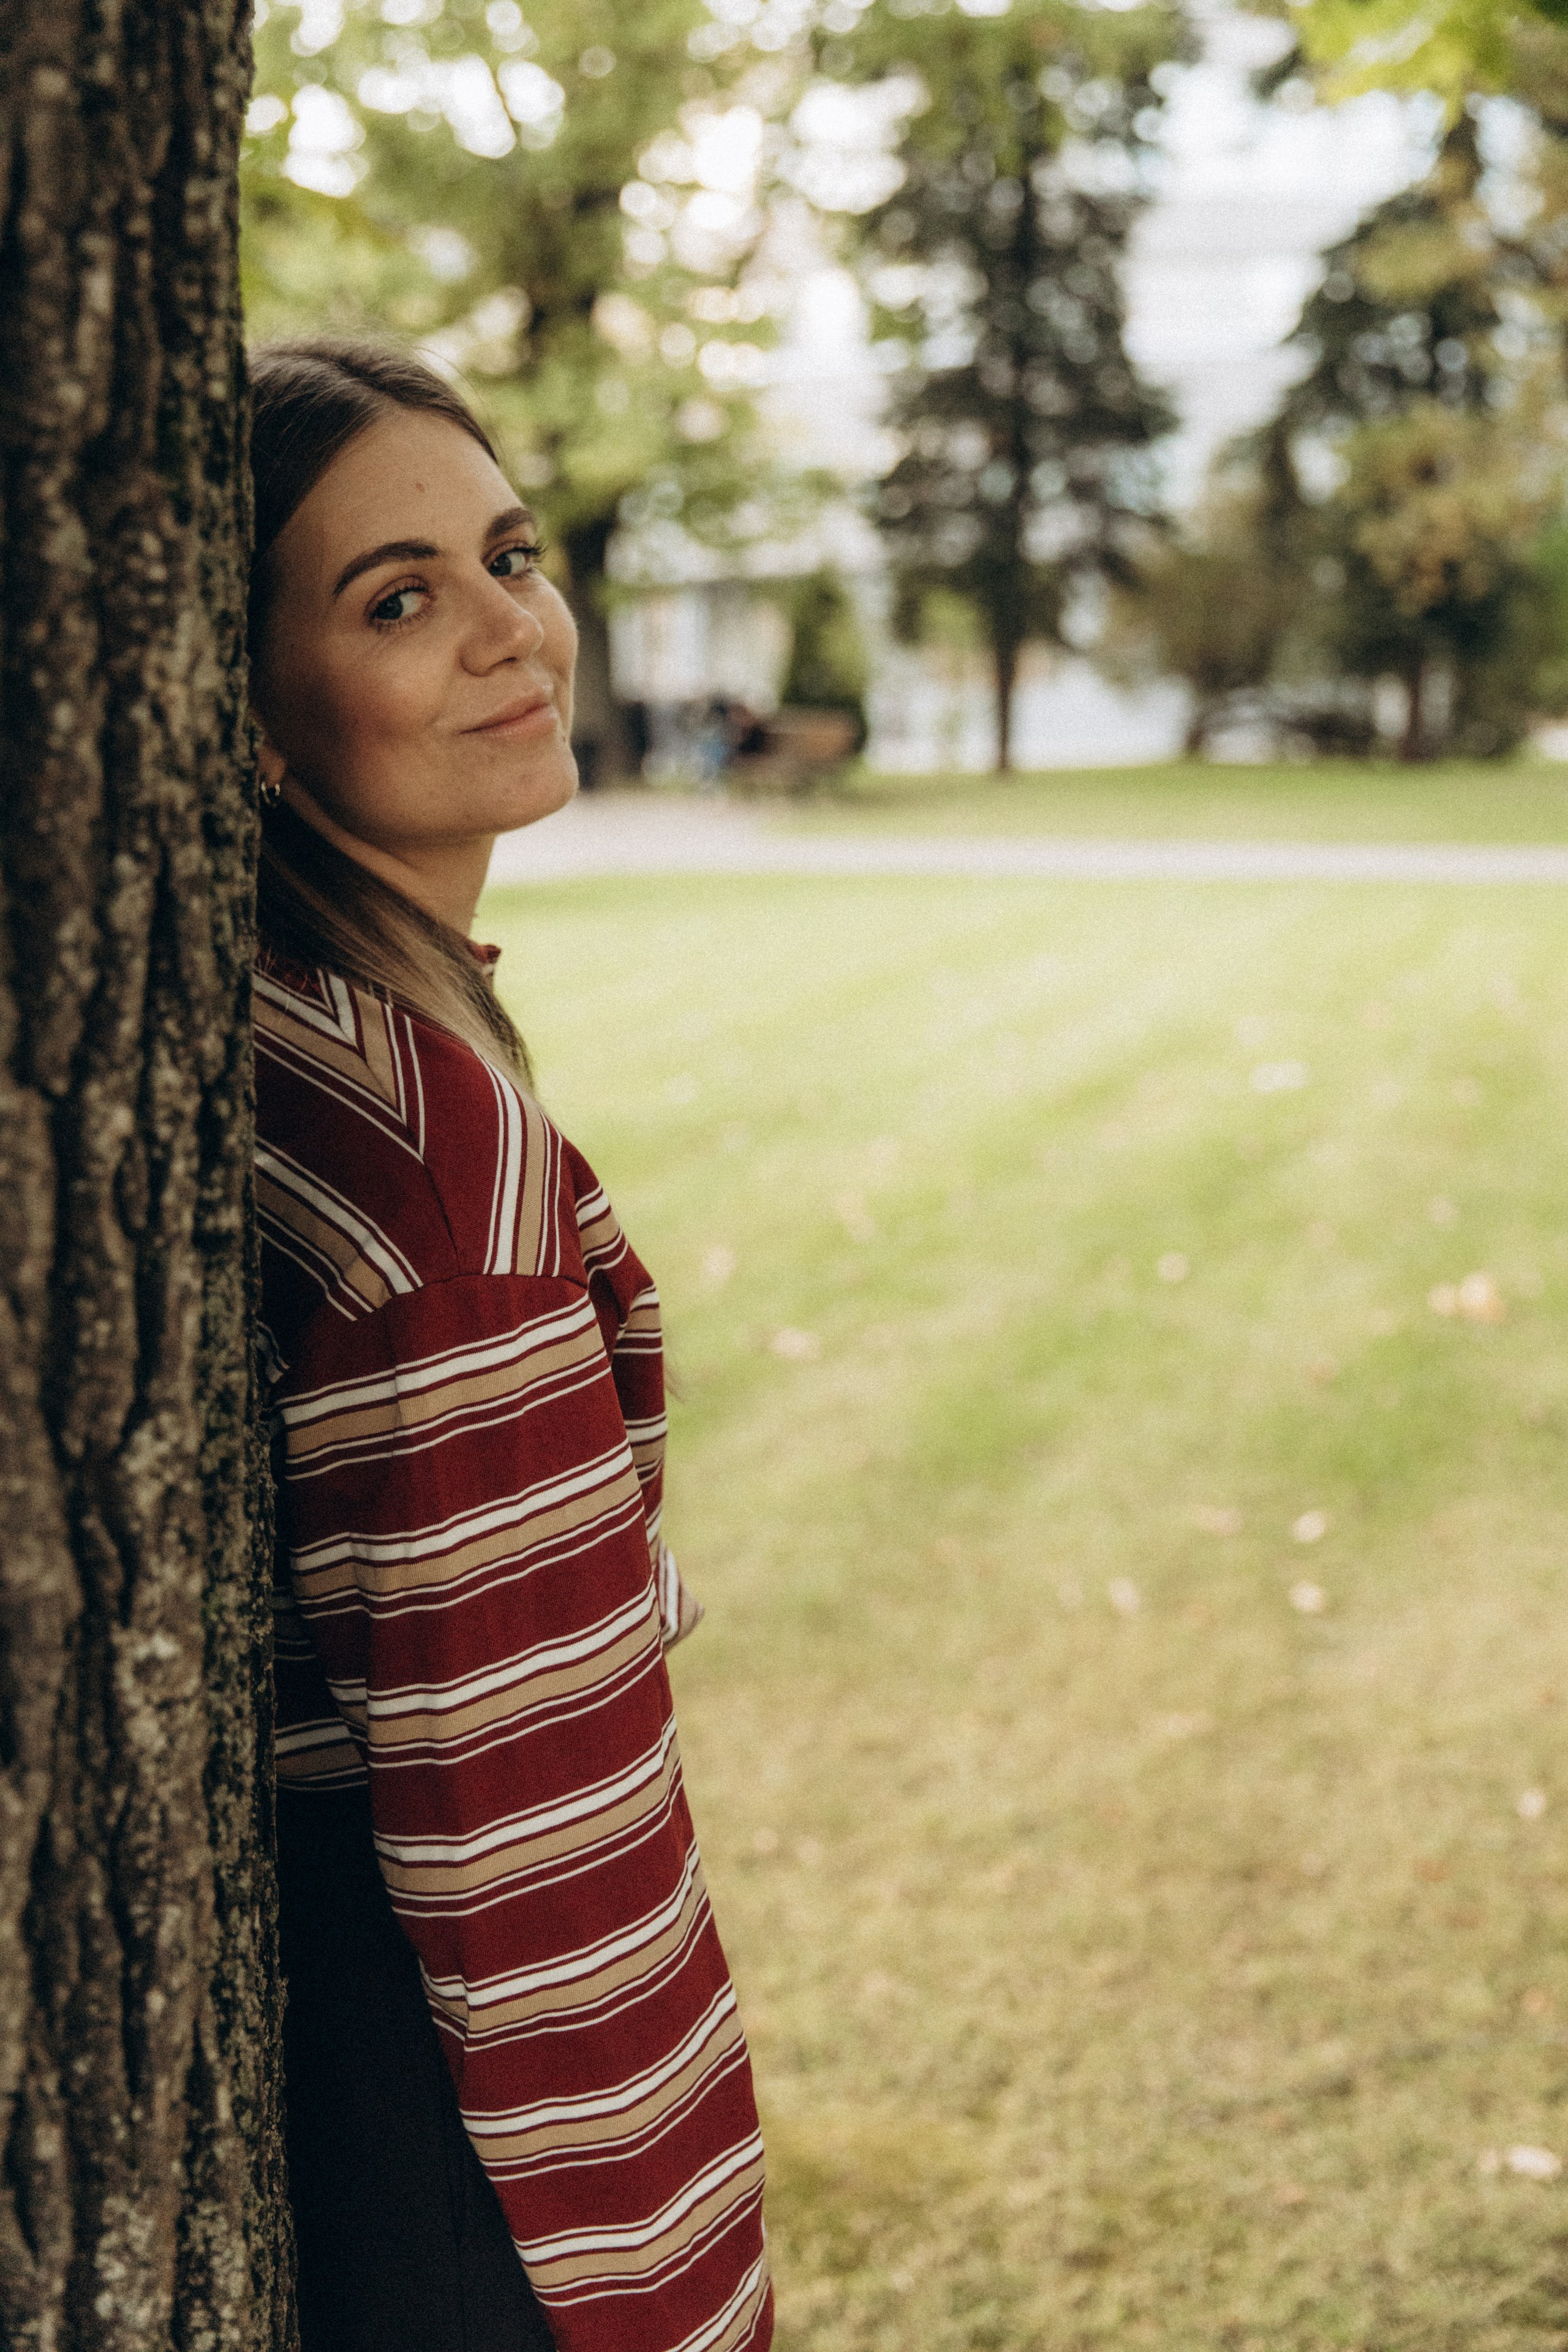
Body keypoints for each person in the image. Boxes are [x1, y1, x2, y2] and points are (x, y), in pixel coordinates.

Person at [247, 339, 773, 2352]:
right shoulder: (425, 1158)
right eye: (397, 599)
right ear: (248, 707)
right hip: (485, 2142)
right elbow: (512, 1818)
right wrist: (646, 2263)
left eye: (507, 554)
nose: (508, 631)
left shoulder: (329, 1024)